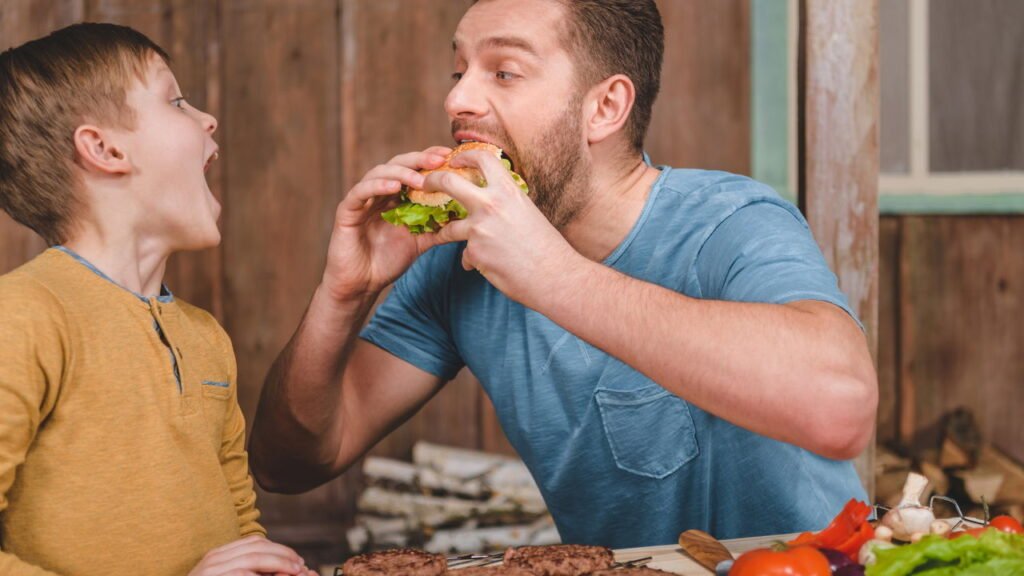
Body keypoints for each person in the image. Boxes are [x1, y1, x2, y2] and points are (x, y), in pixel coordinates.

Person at [249, 0, 878, 547]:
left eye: (504, 72)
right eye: (459, 71)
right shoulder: (456, 262)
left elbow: (841, 409)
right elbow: (288, 464)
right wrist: (343, 294)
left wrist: (552, 275)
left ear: (605, 107)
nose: (457, 100)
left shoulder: (729, 221)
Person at [0, 23, 315, 576]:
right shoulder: (25, 315)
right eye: (176, 101)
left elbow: (241, 528)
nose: (208, 119)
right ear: (105, 149)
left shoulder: (206, 338)